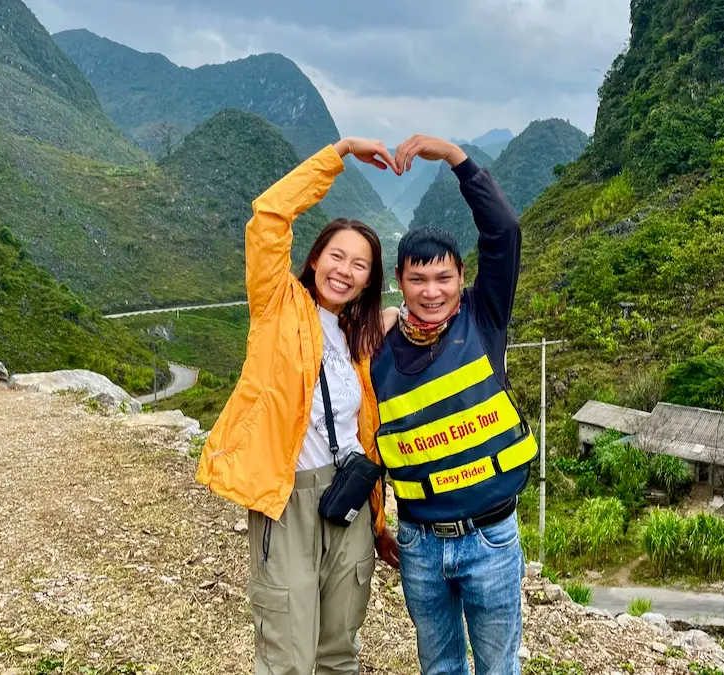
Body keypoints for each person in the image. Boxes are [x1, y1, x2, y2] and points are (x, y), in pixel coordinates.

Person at [195, 137, 400, 675]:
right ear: (314, 258)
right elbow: (269, 214)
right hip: (287, 496)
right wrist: (339, 153)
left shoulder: (362, 337)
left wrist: (378, 522)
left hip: (351, 496)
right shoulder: (276, 303)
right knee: (288, 652)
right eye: (337, 255)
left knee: (338, 648)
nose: (346, 270)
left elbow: (368, 428)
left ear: (369, 280)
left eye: (361, 264)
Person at [370, 135, 539, 675]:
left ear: (461, 280)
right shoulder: (378, 345)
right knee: (438, 667)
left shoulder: (482, 318)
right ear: (399, 282)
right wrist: (378, 521)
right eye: (417, 278)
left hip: (490, 536)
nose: (431, 290)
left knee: (497, 667)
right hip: (418, 542)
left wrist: (455, 160)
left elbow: (503, 232)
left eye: (443, 277)